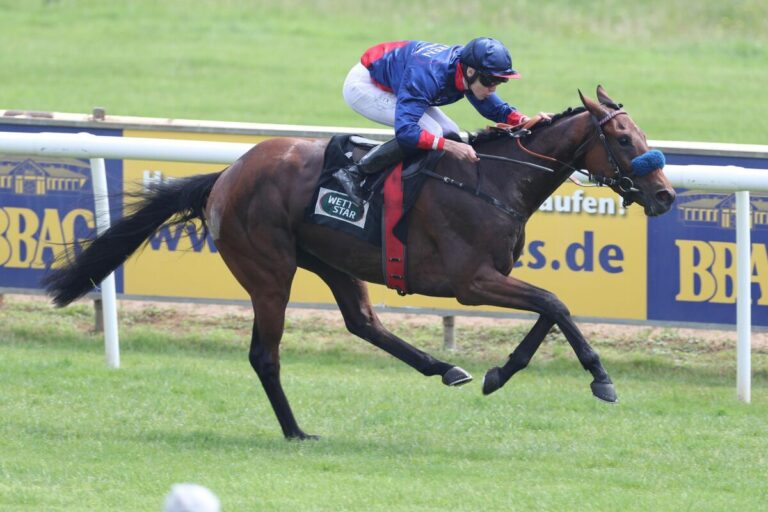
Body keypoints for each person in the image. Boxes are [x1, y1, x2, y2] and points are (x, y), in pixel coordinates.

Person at [334, 37, 552, 206]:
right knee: (434, 131)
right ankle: (355, 172)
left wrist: (526, 120)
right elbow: (406, 132)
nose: (493, 88)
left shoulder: (468, 71)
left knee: (449, 130)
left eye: (499, 81)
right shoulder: (430, 75)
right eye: (490, 80)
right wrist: (450, 146)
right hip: (366, 84)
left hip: (401, 79)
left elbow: (493, 107)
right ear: (470, 71)